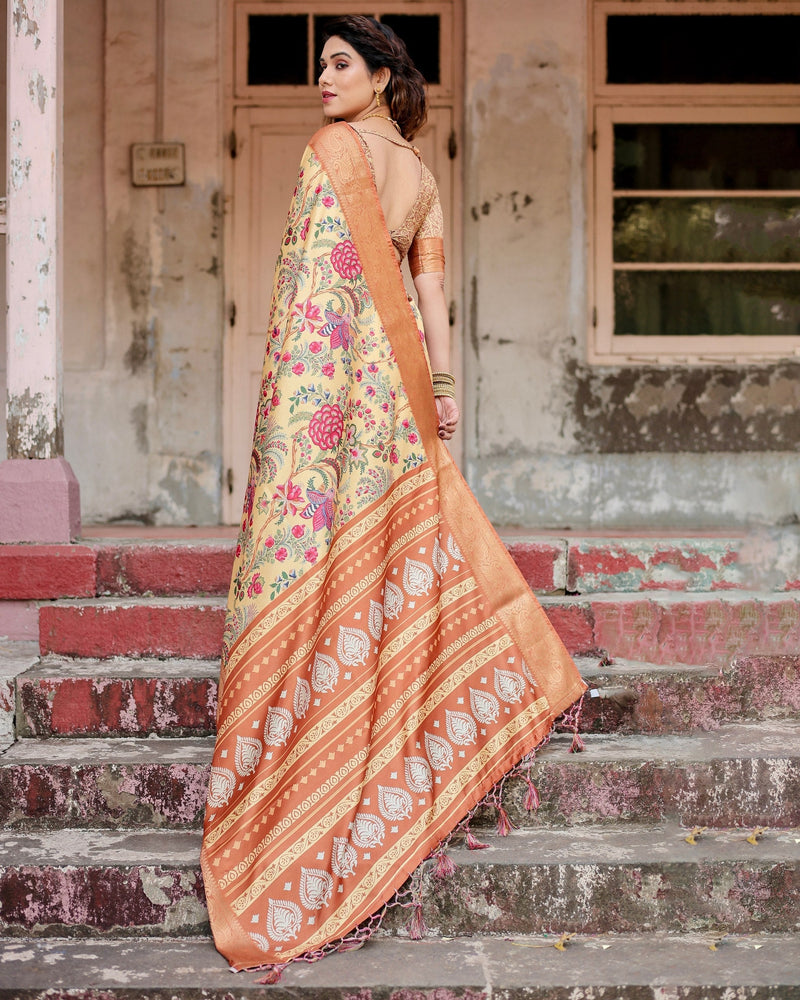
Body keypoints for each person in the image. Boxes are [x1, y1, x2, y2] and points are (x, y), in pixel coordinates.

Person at [201, 15, 585, 977]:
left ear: (381, 75)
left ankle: (292, 765)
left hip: (331, 394)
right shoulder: (423, 172)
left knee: (300, 554)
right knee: (380, 548)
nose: (321, 79)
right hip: (401, 386)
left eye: (339, 64)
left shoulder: (332, 152)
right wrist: (444, 392)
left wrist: (294, 409)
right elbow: (433, 296)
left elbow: (311, 298)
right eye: (318, 65)